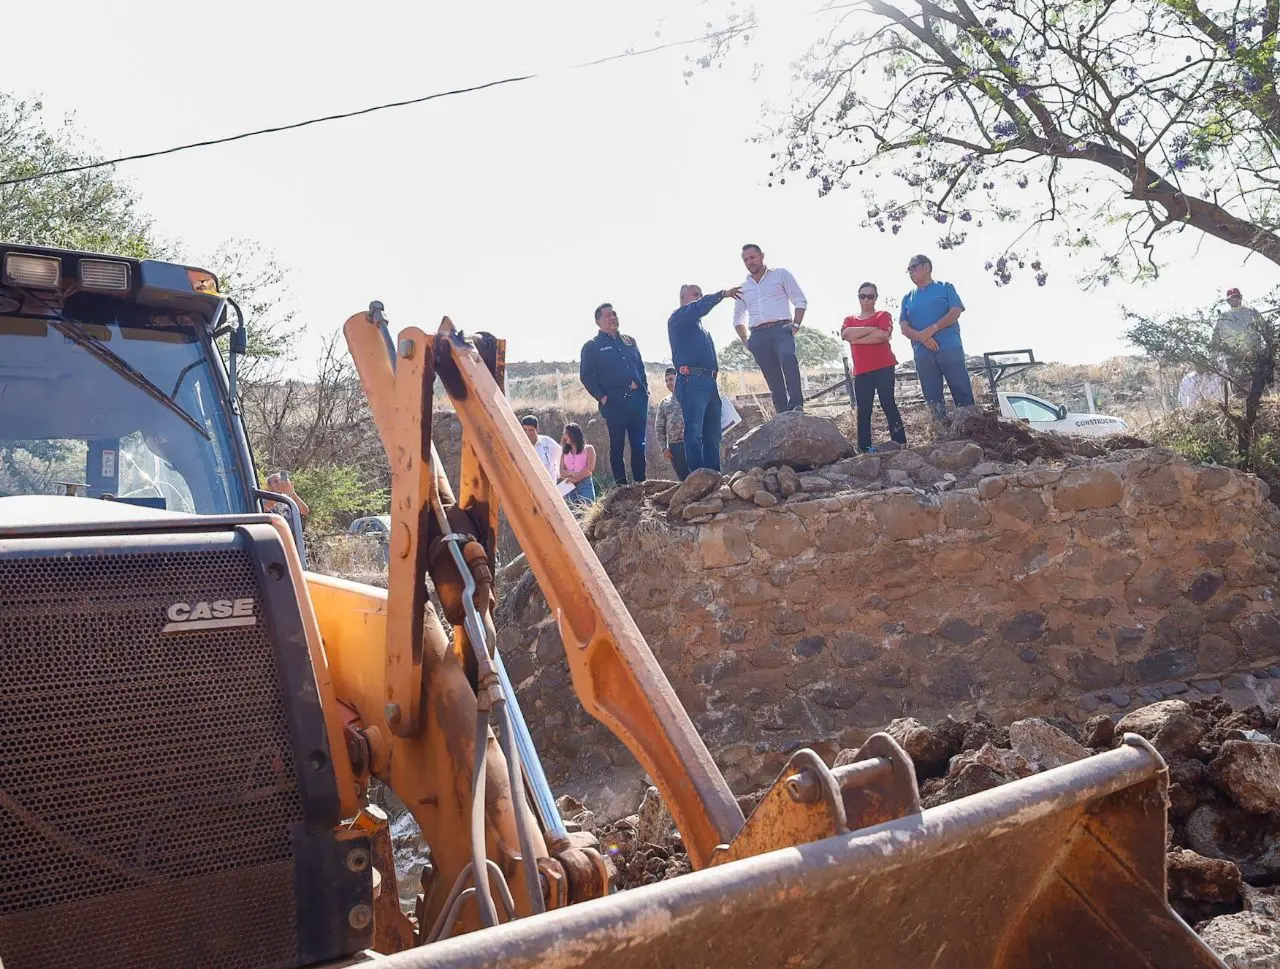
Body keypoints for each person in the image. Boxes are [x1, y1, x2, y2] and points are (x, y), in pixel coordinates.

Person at [668, 282, 741, 472]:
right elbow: (699, 307)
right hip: (691, 381)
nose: (699, 297)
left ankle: (714, 476)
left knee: (713, 435)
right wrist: (722, 294)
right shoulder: (678, 317)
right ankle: (698, 477)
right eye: (695, 294)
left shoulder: (703, 331)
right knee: (694, 432)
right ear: (683, 299)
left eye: (700, 294)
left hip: (709, 383)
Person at [731, 244, 808, 414]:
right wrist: (746, 340)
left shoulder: (780, 275)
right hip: (757, 335)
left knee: (788, 357)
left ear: (761, 256)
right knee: (772, 376)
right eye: (746, 260)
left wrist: (796, 324)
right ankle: (782, 412)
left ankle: (797, 405)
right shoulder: (743, 288)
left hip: (781, 329)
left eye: (752, 257)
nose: (750, 262)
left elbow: (800, 300)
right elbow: (738, 319)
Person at [898, 253, 975, 419]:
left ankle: (970, 428)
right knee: (932, 397)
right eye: (908, 270)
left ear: (926, 267)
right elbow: (904, 327)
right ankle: (940, 433)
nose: (910, 272)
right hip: (923, 353)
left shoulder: (946, 287)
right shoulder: (907, 298)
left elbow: (955, 312)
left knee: (961, 389)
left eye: (913, 267)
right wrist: (922, 337)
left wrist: (932, 329)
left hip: (949, 348)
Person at [579, 302, 648, 484]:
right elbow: (586, 376)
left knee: (639, 445)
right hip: (614, 404)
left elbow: (640, 367)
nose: (613, 318)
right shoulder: (592, 347)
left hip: (637, 401)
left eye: (614, 314)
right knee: (617, 446)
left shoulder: (629, 341)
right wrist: (603, 397)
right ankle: (621, 487)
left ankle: (641, 483)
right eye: (607, 315)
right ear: (598, 321)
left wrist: (644, 390)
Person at [841, 282, 906, 453]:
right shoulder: (850, 319)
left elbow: (883, 335)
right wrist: (871, 330)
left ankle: (899, 442)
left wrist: (857, 338)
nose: (866, 300)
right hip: (862, 371)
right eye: (862, 296)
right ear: (858, 297)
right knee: (864, 409)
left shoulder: (883, 315)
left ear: (876, 297)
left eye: (870, 296)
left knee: (888, 403)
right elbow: (846, 334)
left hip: (884, 366)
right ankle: (865, 448)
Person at [1214, 287, 1272, 402]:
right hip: (1234, 359)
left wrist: (1268, 349)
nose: (1234, 300)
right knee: (1239, 386)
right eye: (1231, 299)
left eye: (1236, 297)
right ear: (1228, 301)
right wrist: (1216, 356)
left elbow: (1265, 330)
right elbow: (1216, 340)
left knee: (1258, 384)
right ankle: (1242, 407)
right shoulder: (1223, 318)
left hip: (1254, 355)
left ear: (1240, 298)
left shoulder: (1251, 312)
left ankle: (1261, 404)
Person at [654, 367, 688, 480]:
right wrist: (664, 448)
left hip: (692, 443)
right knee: (684, 480)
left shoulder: (690, 396)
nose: (669, 382)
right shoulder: (664, 402)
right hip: (676, 448)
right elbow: (659, 428)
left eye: (671, 379)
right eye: (666, 380)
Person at [558, 422, 597, 505]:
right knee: (569, 513)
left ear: (574, 434)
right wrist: (571, 474)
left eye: (566, 434)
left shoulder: (589, 449)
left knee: (586, 511)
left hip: (584, 484)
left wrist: (576, 479)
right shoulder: (564, 452)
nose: (564, 436)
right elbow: (561, 472)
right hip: (568, 485)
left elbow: (589, 469)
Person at [520, 415, 561, 481]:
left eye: (531, 430)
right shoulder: (518, 446)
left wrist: (558, 472)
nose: (527, 433)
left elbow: (561, 454)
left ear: (537, 429)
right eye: (525, 430)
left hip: (550, 486)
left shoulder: (547, 442)